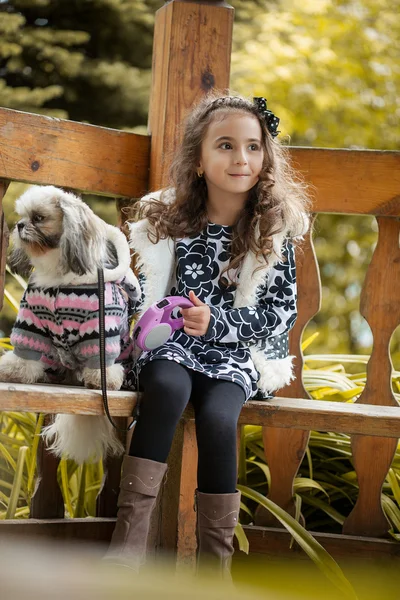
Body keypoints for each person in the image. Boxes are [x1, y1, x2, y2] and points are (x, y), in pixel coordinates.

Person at [104, 94, 310, 578]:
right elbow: (148, 291)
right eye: (225, 146)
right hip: (173, 344)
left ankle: (214, 570)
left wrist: (218, 324)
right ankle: (127, 546)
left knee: (219, 419)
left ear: (266, 157)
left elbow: (281, 312)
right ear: (198, 160)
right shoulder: (171, 219)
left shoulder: (274, 229)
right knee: (166, 390)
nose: (241, 159)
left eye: (253, 147)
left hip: (235, 354)